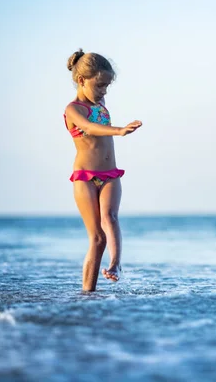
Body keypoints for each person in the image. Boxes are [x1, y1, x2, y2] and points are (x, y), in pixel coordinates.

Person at [63, 49, 143, 291]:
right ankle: (87, 294)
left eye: (107, 86)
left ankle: (116, 264)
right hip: (85, 177)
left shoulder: (101, 103)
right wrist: (119, 130)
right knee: (97, 238)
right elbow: (90, 127)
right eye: (100, 86)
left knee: (111, 218)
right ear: (81, 80)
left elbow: (98, 114)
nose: (104, 91)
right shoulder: (73, 109)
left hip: (109, 175)